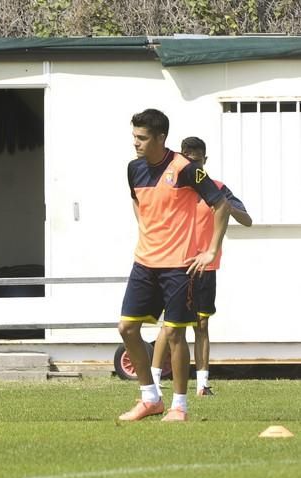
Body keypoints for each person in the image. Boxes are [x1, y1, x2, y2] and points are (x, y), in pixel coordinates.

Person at [118, 109, 230, 422]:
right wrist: (147, 229)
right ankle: (150, 398)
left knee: (176, 333)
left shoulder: (185, 168)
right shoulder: (133, 169)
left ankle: (179, 405)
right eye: (134, 136)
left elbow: (220, 204)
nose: (136, 143)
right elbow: (137, 202)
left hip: (179, 266)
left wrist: (210, 250)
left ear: (160, 138)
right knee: (127, 328)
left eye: (141, 137)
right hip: (144, 262)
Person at [151, 137, 252, 397]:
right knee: (171, 325)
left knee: (202, 325)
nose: (193, 164)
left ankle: (203, 384)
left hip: (206, 267)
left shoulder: (218, 188)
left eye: (197, 159)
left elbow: (247, 220)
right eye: (188, 159)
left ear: (205, 161)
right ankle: (154, 382)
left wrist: (225, 205)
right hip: (177, 263)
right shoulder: (174, 187)